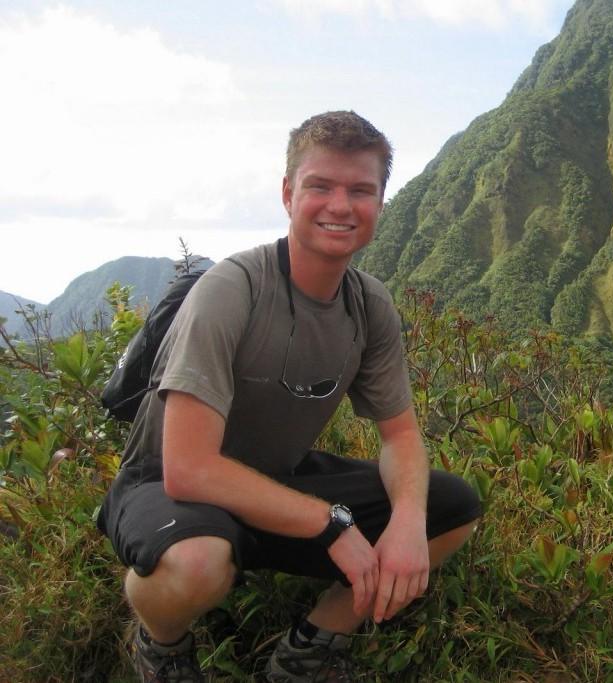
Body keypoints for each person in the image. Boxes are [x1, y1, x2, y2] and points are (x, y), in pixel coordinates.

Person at [97, 111, 481, 682]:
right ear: (287, 193)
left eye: (360, 190)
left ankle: (310, 649)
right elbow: (188, 470)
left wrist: (405, 520)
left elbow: (400, 435)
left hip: (276, 481)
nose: (340, 205)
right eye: (320, 186)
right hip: (163, 485)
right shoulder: (233, 290)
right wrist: (331, 525)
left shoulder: (368, 306)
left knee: (450, 508)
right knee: (197, 562)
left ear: (380, 201)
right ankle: (161, 644)